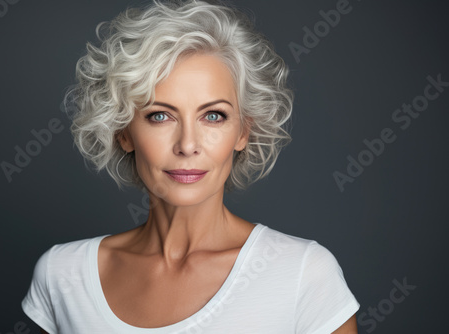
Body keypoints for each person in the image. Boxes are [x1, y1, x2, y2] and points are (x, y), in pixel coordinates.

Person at [21, 0, 360, 333]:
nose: (187, 145)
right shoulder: (62, 275)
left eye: (213, 116)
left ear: (243, 132)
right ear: (124, 132)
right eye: (160, 116)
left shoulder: (303, 274)